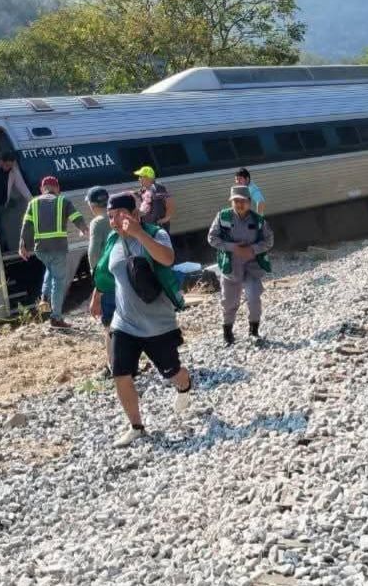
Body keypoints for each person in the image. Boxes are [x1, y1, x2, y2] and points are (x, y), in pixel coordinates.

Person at [89, 193, 192, 448]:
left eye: (119, 216)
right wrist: (97, 297)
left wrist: (138, 234)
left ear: (134, 214)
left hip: (158, 323)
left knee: (172, 373)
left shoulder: (155, 234)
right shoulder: (113, 239)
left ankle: (184, 386)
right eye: (110, 216)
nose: (114, 222)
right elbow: (105, 271)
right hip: (124, 323)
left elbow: (167, 259)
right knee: (120, 373)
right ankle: (136, 426)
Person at [207, 185, 274, 345]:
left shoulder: (258, 220)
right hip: (231, 267)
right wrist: (233, 248)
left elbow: (269, 240)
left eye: (242, 201)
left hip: (252, 267)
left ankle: (254, 331)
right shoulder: (223, 217)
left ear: (249, 202)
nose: (239, 204)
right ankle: (228, 333)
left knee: (253, 298)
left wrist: (253, 249)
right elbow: (212, 238)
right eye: (235, 201)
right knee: (229, 302)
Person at [19, 176, 89, 328]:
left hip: (41, 250)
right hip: (58, 247)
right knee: (58, 281)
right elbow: (76, 217)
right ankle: (56, 317)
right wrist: (84, 229)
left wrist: (22, 245)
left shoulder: (33, 203)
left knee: (50, 270)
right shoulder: (63, 201)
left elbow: (27, 225)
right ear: (57, 188)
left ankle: (44, 297)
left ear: (42, 189)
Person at [85, 186, 114, 350]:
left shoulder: (97, 222)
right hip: (124, 275)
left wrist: (96, 282)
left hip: (107, 278)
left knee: (109, 324)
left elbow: (93, 253)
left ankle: (113, 365)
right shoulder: (118, 215)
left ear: (92, 204)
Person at [133, 165, 174, 231]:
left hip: (157, 228)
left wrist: (165, 219)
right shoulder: (143, 190)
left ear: (147, 177)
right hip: (148, 227)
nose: (139, 179)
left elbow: (169, 201)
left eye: (141, 177)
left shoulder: (157, 188)